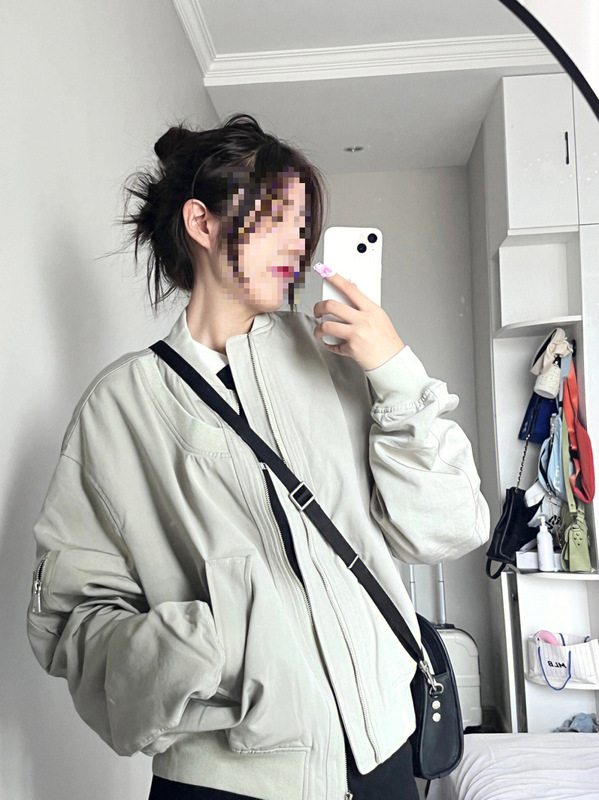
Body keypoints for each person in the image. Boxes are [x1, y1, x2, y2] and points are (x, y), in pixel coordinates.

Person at [26, 113, 491, 800]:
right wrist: (203, 646)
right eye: (279, 219)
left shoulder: (337, 360)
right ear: (202, 222)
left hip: (384, 755)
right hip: (229, 780)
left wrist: (395, 371)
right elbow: (72, 620)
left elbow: (446, 529)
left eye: (304, 227)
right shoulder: (118, 407)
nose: (298, 245)